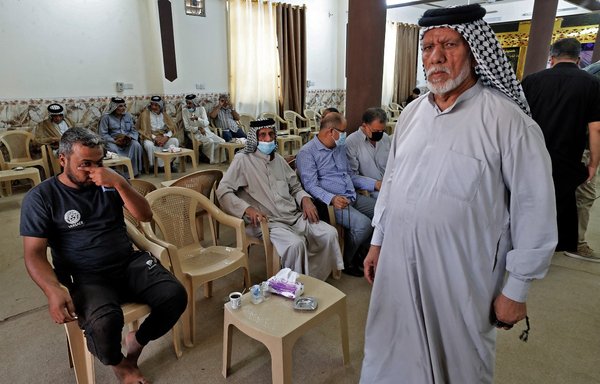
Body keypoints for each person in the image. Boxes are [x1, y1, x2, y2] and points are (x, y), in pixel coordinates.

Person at [360, 5, 557, 384]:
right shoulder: (413, 114)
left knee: (459, 364)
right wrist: (377, 242)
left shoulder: (508, 122)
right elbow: (394, 183)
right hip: (398, 264)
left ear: (474, 50)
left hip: (460, 276)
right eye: (428, 46)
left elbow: (535, 209)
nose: (435, 56)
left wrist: (516, 288)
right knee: (390, 350)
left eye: (449, 44)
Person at [20, 128, 187, 384]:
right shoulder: (42, 197)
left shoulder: (110, 182)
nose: (93, 170)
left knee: (175, 296)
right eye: (84, 164)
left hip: (127, 261)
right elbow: (33, 254)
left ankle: (137, 341)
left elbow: (144, 216)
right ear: (62, 160)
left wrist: (119, 183)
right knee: (104, 323)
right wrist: (52, 289)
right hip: (85, 275)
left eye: (98, 162)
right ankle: (120, 365)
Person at [217, 118, 343, 280]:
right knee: (295, 245)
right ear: (255, 138)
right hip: (268, 222)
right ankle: (294, 283)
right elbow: (223, 190)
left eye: (271, 134)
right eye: (262, 135)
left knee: (329, 233)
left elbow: (295, 187)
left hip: (294, 216)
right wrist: (246, 209)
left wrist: (305, 199)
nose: (268, 139)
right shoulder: (243, 160)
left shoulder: (279, 160)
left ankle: (316, 279)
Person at [522, 38, 600, 259]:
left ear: (552, 58)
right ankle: (569, 244)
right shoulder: (591, 84)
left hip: (533, 155)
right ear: (578, 60)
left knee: (531, 199)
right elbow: (596, 128)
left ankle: (527, 242)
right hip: (570, 157)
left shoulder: (532, 81)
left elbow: (517, 120)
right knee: (571, 199)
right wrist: (594, 163)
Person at [296, 112, 378, 277]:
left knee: (382, 210)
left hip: (351, 196)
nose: (344, 135)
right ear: (330, 132)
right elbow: (311, 185)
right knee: (364, 224)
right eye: (342, 131)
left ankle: (363, 249)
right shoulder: (307, 153)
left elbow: (350, 175)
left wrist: (374, 184)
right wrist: (332, 198)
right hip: (332, 203)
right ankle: (348, 260)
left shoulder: (339, 148)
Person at [345, 107, 390, 198]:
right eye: (376, 131)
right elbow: (351, 176)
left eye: (382, 130)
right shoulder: (352, 142)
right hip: (371, 191)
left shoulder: (385, 138)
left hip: (390, 185)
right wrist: (375, 184)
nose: (380, 133)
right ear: (365, 126)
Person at [98, 97, 143, 177]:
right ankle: (118, 174)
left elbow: (133, 130)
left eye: (124, 106)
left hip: (127, 140)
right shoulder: (106, 117)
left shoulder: (128, 116)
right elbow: (103, 134)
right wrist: (114, 141)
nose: (123, 108)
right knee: (113, 149)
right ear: (114, 107)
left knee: (136, 145)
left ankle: (133, 172)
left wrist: (130, 138)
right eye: (120, 106)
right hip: (113, 141)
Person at [137, 95, 179, 171]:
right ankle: (155, 166)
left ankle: (169, 164)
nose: (153, 107)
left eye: (156, 105)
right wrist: (155, 138)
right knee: (149, 145)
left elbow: (171, 128)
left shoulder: (164, 115)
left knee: (175, 141)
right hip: (149, 137)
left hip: (163, 137)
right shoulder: (145, 115)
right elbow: (144, 130)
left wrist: (166, 137)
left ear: (160, 105)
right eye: (152, 104)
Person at [182, 94, 225, 164]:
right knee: (210, 141)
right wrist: (198, 128)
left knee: (222, 141)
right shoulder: (184, 111)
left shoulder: (201, 109)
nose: (188, 105)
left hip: (206, 131)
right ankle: (210, 159)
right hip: (193, 133)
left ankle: (219, 159)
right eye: (187, 103)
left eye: (190, 103)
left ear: (195, 103)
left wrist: (197, 119)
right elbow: (186, 127)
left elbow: (206, 123)